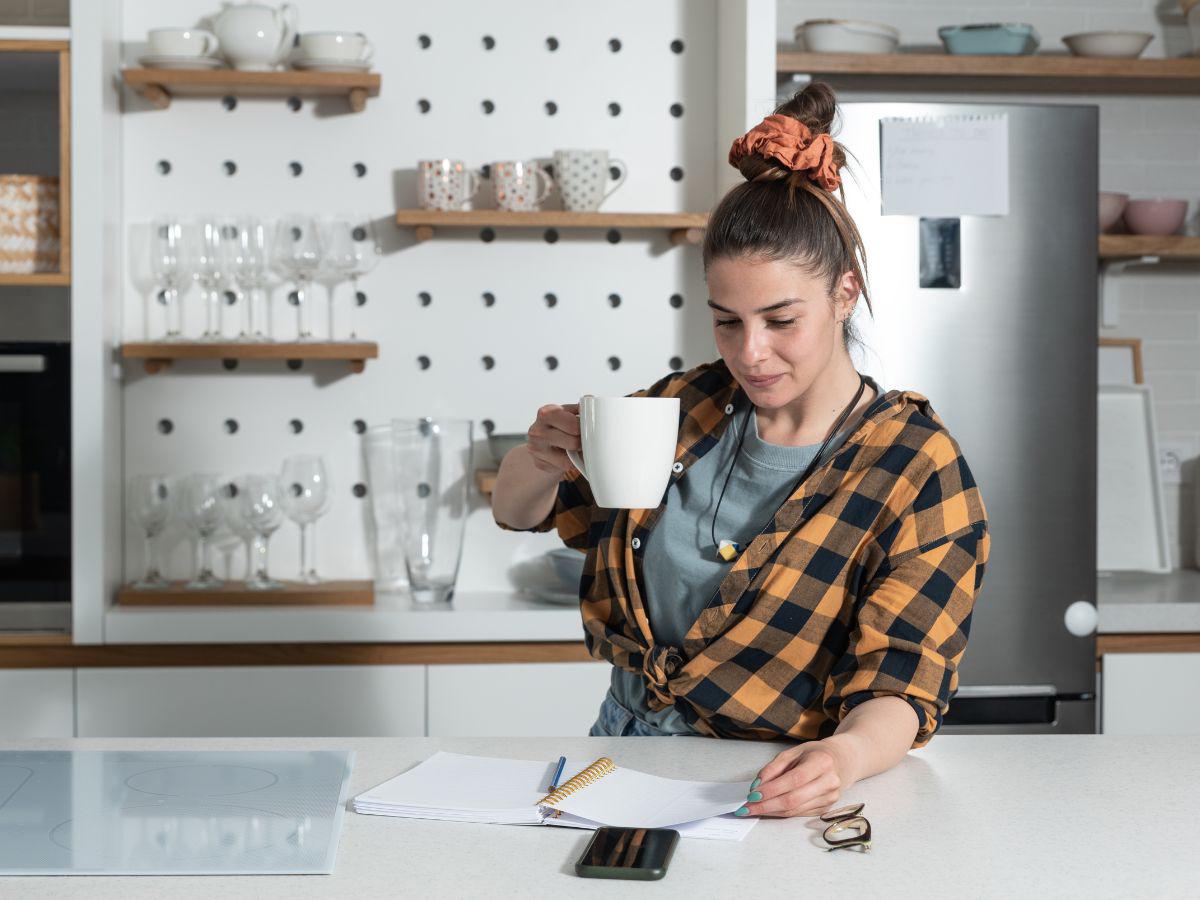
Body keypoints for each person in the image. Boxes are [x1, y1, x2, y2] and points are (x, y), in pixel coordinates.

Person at [491, 83, 990, 820]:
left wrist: (844, 756)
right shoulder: (681, 408)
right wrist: (540, 457)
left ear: (845, 294)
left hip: (777, 781)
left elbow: (903, 679)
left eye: (780, 320)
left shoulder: (915, 465)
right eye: (727, 322)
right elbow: (518, 512)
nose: (750, 354)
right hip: (614, 758)